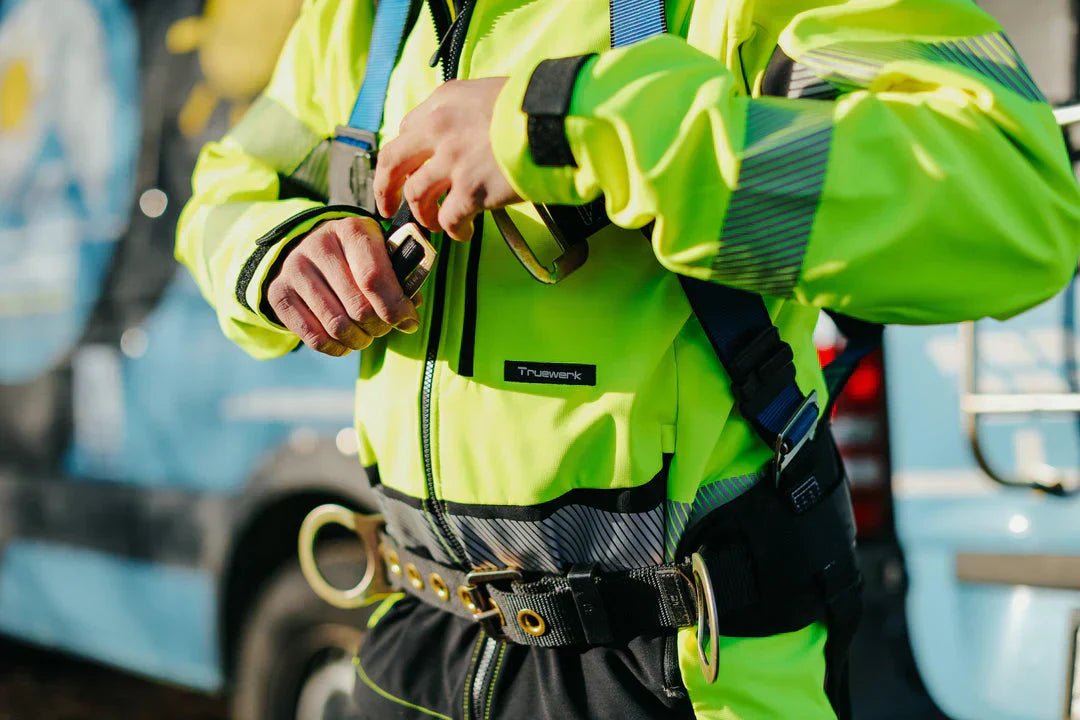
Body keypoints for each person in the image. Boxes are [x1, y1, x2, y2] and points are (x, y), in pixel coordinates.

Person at [175, 0, 1080, 717]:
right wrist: (280, 252)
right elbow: (226, 188)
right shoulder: (368, 15)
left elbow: (1010, 197)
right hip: (415, 649)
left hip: (690, 667)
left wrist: (573, 125)